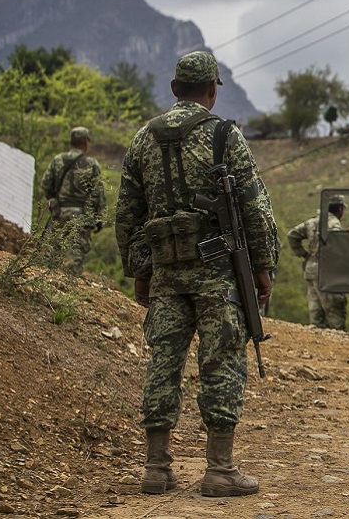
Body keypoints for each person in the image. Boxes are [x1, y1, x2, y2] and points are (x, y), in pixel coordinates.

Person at [115, 50, 278, 498]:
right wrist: (263, 266)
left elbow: (128, 214)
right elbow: (254, 207)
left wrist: (140, 270)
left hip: (166, 272)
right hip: (217, 273)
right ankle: (220, 471)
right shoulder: (224, 136)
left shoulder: (142, 139)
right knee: (221, 358)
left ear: (173, 90)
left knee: (162, 361)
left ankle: (156, 467)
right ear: (211, 90)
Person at [40, 126, 106, 274]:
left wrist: (53, 201)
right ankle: (69, 287)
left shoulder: (58, 160)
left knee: (51, 252)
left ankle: (45, 284)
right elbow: (98, 193)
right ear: (85, 142)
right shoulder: (91, 164)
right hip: (81, 216)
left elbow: (45, 183)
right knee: (75, 255)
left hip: (59, 212)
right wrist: (98, 218)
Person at [287, 195, 347, 330]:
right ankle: (338, 347)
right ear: (340, 209)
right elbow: (339, 244)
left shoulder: (311, 222)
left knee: (315, 313)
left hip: (311, 269)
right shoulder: (334, 224)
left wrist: (304, 254)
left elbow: (292, 235)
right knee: (334, 313)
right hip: (328, 271)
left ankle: (318, 346)